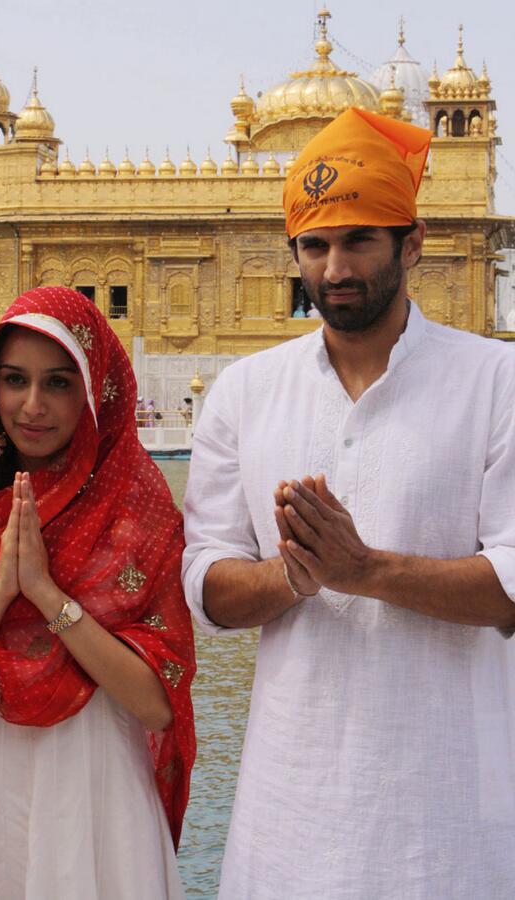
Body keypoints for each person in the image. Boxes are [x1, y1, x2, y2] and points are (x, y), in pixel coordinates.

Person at [182, 107, 515, 899]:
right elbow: (208, 589)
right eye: (316, 245)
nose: (336, 267)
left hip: (450, 821)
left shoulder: (494, 383)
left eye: (360, 239)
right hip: (289, 816)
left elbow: (511, 585)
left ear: (414, 242)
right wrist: (293, 578)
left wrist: (362, 568)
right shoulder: (245, 392)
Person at [0, 286, 195, 900]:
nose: (32, 406)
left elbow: (156, 705)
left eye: (59, 383)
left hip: (98, 788)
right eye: (15, 380)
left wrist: (48, 597)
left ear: (96, 392)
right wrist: (0, 592)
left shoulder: (136, 513)